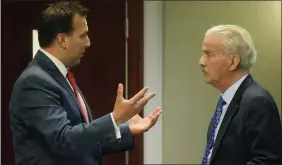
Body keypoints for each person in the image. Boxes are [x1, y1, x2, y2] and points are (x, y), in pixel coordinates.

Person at [9, 2, 162, 165]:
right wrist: (114, 119)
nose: (88, 43)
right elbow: (64, 141)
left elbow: (81, 142)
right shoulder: (35, 82)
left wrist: (125, 128)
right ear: (62, 40)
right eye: (83, 36)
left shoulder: (61, 76)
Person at [199, 24, 281, 165]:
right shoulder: (225, 101)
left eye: (209, 54)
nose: (201, 62)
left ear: (233, 62)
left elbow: (267, 161)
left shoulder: (257, 101)